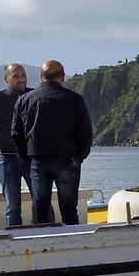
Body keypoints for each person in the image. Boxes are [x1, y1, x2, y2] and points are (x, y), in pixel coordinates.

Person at [12, 60, 93, 224]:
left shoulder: (24, 100)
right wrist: (80, 157)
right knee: (69, 209)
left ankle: (44, 246)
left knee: (41, 209)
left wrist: (27, 156)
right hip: (68, 160)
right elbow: (86, 133)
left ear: (41, 77)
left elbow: (16, 133)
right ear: (62, 77)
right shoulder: (74, 100)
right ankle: (73, 244)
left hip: (38, 160)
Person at [0, 62, 32, 227]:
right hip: (8, 158)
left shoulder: (34, 95)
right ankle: (16, 241)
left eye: (23, 75)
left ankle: (47, 235)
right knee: (12, 206)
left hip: (32, 158)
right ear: (6, 78)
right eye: (16, 76)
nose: (21, 79)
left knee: (42, 201)